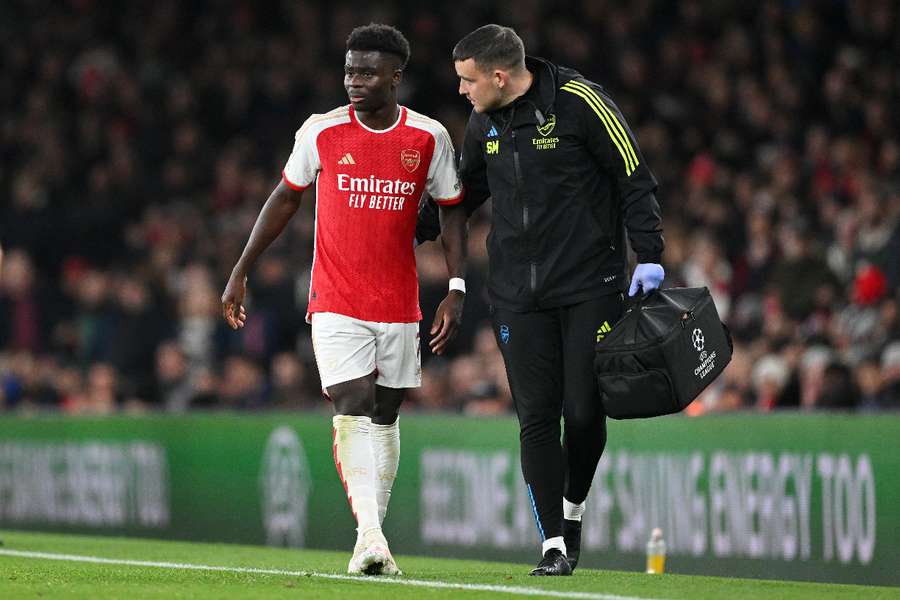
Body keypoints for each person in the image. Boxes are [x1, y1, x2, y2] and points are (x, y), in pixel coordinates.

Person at [417, 24, 664, 575]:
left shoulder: (580, 103)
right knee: (535, 418)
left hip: (588, 288)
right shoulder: (484, 122)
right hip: (515, 295)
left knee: (581, 413)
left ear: (499, 76)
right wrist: (413, 229)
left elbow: (633, 175)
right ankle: (553, 542)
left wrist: (648, 251)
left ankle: (573, 510)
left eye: (467, 80)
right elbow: (465, 191)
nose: (462, 91)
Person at [221, 23, 467, 576]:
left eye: (367, 72)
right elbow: (285, 198)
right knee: (351, 401)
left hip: (400, 301)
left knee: (385, 413)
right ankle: (371, 535)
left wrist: (456, 287)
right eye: (350, 70)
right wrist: (241, 270)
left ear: (395, 77)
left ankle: (372, 544)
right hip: (333, 299)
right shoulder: (322, 131)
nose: (354, 81)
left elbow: (453, 208)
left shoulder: (428, 138)